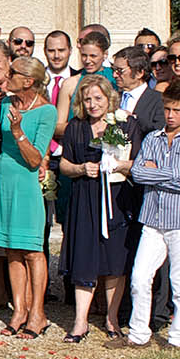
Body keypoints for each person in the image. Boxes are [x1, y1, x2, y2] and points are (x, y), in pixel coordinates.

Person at [110, 80, 180, 349]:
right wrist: (172, 172)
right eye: (167, 109)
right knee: (140, 276)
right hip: (152, 218)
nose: (171, 115)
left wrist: (157, 172)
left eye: (176, 110)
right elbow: (138, 173)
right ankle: (139, 333)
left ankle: (178, 336)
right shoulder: (153, 138)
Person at [0, 55, 55, 338]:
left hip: (26, 184)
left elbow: (36, 159)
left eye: (12, 72)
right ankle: (19, 309)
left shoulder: (47, 112)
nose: (5, 75)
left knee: (33, 251)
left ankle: (38, 313)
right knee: (11, 248)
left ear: (28, 80)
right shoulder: (7, 103)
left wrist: (19, 131)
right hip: (3, 180)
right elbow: (3, 147)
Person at [56, 74, 129, 342]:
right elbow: (63, 164)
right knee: (84, 255)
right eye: (87, 99)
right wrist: (79, 169)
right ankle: (80, 322)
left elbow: (135, 161)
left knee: (113, 260)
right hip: (84, 196)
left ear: (108, 98)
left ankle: (112, 320)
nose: (93, 104)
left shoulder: (123, 124)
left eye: (98, 98)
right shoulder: (75, 127)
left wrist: (117, 165)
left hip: (115, 197)